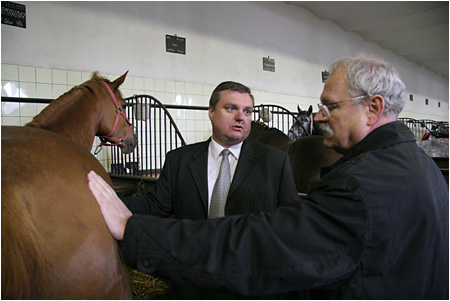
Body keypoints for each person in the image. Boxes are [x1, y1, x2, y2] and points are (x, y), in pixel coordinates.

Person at [88, 55, 449, 299]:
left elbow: (266, 240)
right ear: (211, 113)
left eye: (331, 106)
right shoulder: (422, 168)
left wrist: (135, 231)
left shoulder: (356, 180)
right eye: (232, 108)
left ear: (373, 108)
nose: (320, 116)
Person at [115, 81, 299, 299]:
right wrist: (106, 203)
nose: (241, 117)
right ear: (211, 112)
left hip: (251, 283)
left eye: (247, 111)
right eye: (231, 108)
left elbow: (291, 222)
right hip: (193, 279)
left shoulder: (275, 161)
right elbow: (156, 205)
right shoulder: (180, 159)